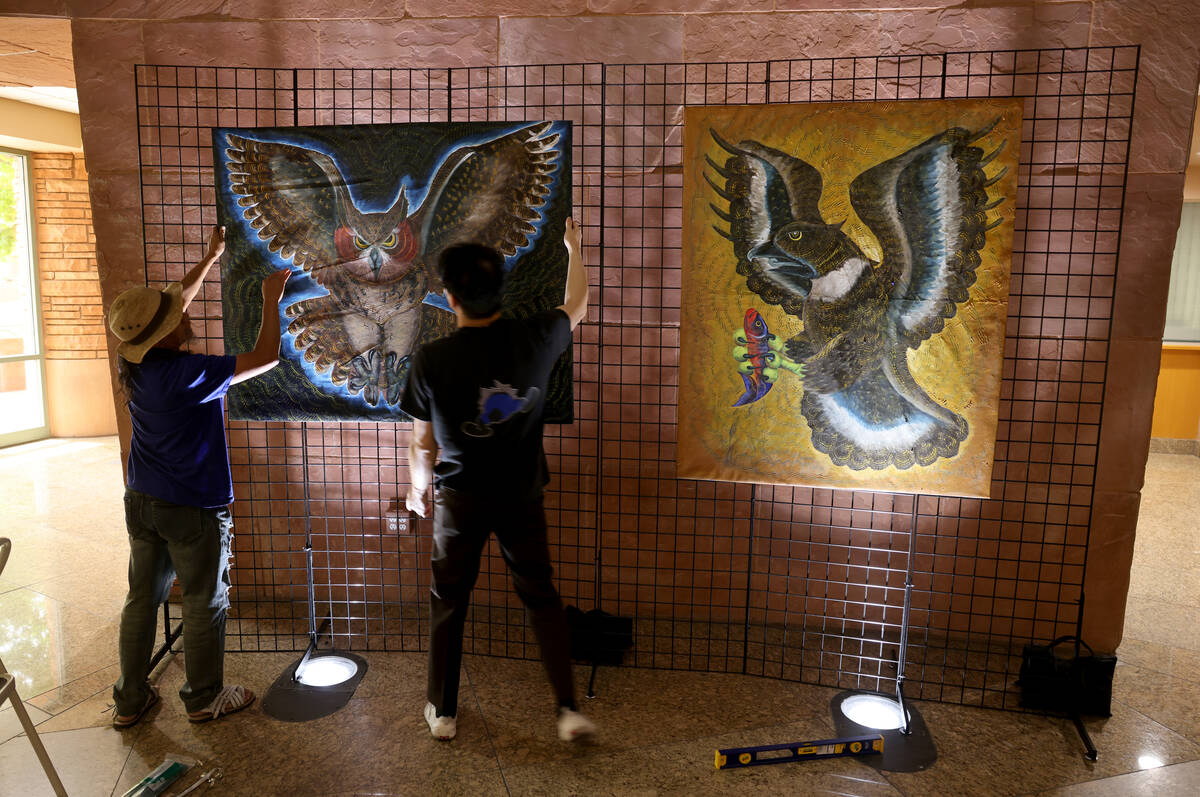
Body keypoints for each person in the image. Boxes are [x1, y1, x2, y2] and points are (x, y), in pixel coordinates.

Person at [402, 219, 593, 742]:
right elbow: (578, 302)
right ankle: (567, 710)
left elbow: (423, 444)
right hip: (521, 496)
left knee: (449, 599)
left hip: (460, 499)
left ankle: (442, 713)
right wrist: (574, 246)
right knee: (541, 596)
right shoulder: (536, 337)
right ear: (499, 289)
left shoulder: (432, 359)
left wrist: (418, 490)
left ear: (449, 296)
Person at [107, 225, 291, 728]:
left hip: (142, 497)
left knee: (141, 599)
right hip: (191, 506)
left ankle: (129, 701)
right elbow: (267, 358)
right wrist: (270, 300)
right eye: (175, 317)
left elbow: (169, 307)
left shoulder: (136, 365)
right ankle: (205, 697)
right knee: (204, 600)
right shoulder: (189, 375)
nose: (182, 312)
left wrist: (210, 258)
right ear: (165, 333)